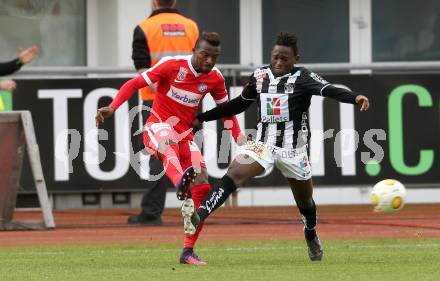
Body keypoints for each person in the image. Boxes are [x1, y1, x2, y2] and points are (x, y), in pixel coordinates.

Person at [181, 32, 370, 261]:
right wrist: (204, 117)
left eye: (285, 59)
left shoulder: (303, 77)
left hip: (294, 151)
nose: (279, 63)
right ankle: (201, 213)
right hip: (263, 144)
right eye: (275, 57)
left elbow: (328, 89)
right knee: (235, 173)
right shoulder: (260, 76)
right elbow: (239, 104)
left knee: (305, 202)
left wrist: (355, 97)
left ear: (295, 59)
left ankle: (310, 233)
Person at [96, 32, 243, 265]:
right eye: (205, 55)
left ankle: (187, 251)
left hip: (184, 134)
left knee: (203, 187)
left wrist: (240, 139)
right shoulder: (171, 65)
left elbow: (226, 112)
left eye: (214, 57)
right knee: (168, 143)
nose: (209, 61)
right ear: (194, 50)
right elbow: (135, 83)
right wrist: (112, 107)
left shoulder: (215, 78)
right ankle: (179, 184)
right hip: (157, 127)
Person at [128, 0, 199, 226]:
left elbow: (144, 77)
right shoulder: (192, 26)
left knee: (158, 157)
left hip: (156, 104)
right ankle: (200, 207)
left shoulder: (144, 28)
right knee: (190, 153)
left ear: (154, 2)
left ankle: (152, 212)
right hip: (189, 103)